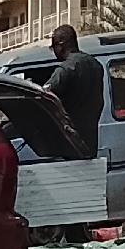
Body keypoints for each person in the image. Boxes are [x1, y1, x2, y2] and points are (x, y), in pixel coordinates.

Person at [44, 24, 104, 161]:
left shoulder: (65, 70)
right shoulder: (95, 64)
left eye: (53, 47)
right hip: (90, 141)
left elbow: (45, 96)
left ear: (61, 45)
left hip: (71, 143)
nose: (54, 51)